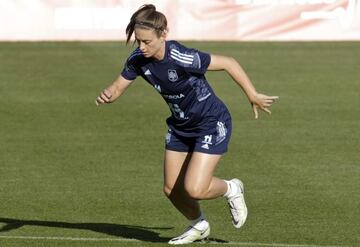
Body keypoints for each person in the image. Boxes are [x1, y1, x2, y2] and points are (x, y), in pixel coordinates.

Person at [95, 4, 278, 245]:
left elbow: (229, 62)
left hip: (210, 122)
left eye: (147, 41)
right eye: (138, 41)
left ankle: (231, 188)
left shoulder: (182, 56)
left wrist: (252, 94)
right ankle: (199, 225)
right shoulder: (138, 59)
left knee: (195, 189)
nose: (141, 47)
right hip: (181, 127)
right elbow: (118, 86)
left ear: (163, 34)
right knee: (172, 189)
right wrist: (108, 94)